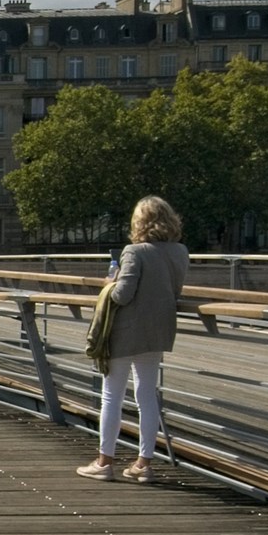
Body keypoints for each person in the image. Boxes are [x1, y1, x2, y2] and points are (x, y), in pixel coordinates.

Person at [76, 195, 189, 483]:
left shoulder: (134, 251)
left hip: (126, 333)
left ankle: (104, 462)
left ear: (140, 222)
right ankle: (143, 463)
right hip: (157, 332)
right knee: (146, 396)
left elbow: (123, 295)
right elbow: (174, 291)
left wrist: (109, 283)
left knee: (112, 395)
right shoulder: (180, 252)